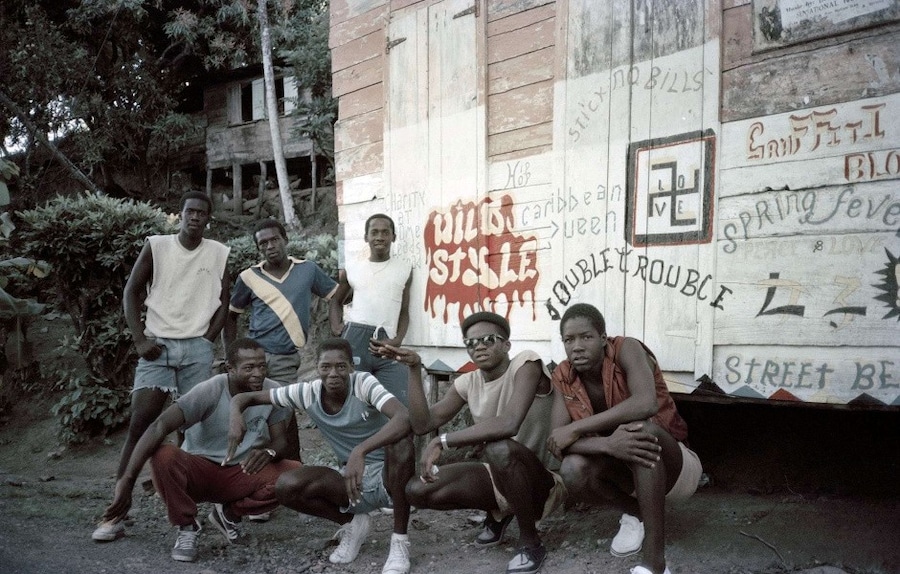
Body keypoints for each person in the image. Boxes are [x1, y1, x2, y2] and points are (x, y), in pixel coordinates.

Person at [383, 311, 567, 574]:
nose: (479, 346)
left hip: (544, 480)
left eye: (488, 339)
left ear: (506, 345)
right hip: (501, 475)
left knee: (499, 448)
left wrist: (442, 441)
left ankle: (530, 543)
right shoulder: (467, 382)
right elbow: (423, 424)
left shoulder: (526, 364)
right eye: (471, 342)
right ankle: (499, 513)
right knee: (417, 491)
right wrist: (414, 368)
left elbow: (509, 423)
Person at [93, 190, 231, 542]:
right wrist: (140, 339)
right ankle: (115, 514)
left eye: (202, 213)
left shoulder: (218, 253)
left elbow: (224, 300)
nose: (195, 217)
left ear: (208, 218)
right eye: (189, 211)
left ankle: (194, 513)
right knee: (141, 425)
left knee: (195, 431)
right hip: (158, 347)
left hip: (197, 350)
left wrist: (208, 340)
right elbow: (131, 292)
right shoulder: (157, 245)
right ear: (179, 215)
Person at [98, 338, 302, 563]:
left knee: (295, 475)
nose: (258, 373)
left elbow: (281, 441)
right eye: (249, 367)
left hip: (240, 472)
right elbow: (160, 426)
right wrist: (127, 480)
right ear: (230, 369)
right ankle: (187, 526)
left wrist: (270, 453)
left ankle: (228, 514)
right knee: (163, 454)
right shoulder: (211, 389)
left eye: (262, 366)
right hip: (199, 470)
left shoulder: (273, 391)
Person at [226, 337, 415, 574]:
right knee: (287, 485)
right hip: (352, 479)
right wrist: (235, 415)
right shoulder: (309, 392)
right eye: (325, 367)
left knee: (402, 443)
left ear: (351, 368)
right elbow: (246, 397)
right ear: (317, 368)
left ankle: (399, 541)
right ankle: (352, 524)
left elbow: (403, 417)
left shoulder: (363, 383)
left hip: (392, 475)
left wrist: (361, 450)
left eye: (340, 366)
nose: (333, 374)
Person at [547, 303, 703, 574]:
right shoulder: (563, 375)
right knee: (572, 468)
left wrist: (577, 428)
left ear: (603, 338)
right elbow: (557, 441)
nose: (577, 346)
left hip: (675, 468)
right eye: (569, 340)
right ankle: (636, 513)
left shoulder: (626, 349)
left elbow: (645, 403)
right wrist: (607, 444)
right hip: (624, 472)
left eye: (586, 337)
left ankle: (655, 563)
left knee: (639, 432)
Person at [225, 218, 338, 463]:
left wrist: (337, 327)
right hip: (254, 358)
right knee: (254, 411)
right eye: (263, 243)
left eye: (274, 239)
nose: (270, 246)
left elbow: (337, 296)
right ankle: (248, 464)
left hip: (285, 357)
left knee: (282, 411)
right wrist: (231, 355)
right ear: (258, 249)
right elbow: (231, 315)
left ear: (285, 240)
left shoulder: (307, 270)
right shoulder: (249, 277)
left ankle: (290, 465)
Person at [329, 213, 412, 405]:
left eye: (385, 232)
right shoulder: (353, 268)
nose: (380, 237)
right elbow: (336, 300)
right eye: (374, 232)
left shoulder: (404, 269)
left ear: (393, 236)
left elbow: (404, 310)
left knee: (397, 402)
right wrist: (336, 326)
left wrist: (398, 339)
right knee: (356, 400)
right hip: (356, 338)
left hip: (387, 341)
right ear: (366, 237)